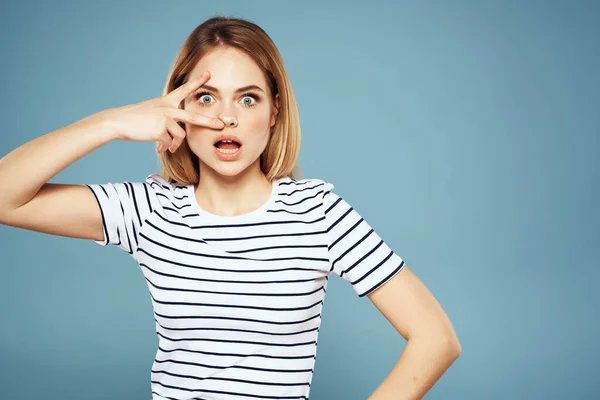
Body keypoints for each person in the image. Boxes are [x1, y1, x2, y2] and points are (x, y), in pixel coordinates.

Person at [0, 16, 460, 400]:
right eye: (205, 97)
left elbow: (436, 339)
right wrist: (111, 123)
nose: (227, 117)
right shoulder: (148, 210)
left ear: (275, 110)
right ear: (178, 108)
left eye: (248, 97)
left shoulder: (317, 211)